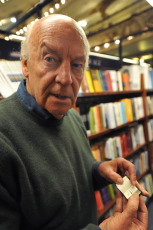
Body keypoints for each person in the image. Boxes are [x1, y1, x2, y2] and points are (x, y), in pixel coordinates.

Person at [0, 14, 149, 230]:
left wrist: (97, 171)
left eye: (77, 64)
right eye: (50, 59)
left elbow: (68, 180)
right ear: (25, 65)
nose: (66, 78)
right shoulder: (4, 137)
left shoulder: (71, 116)